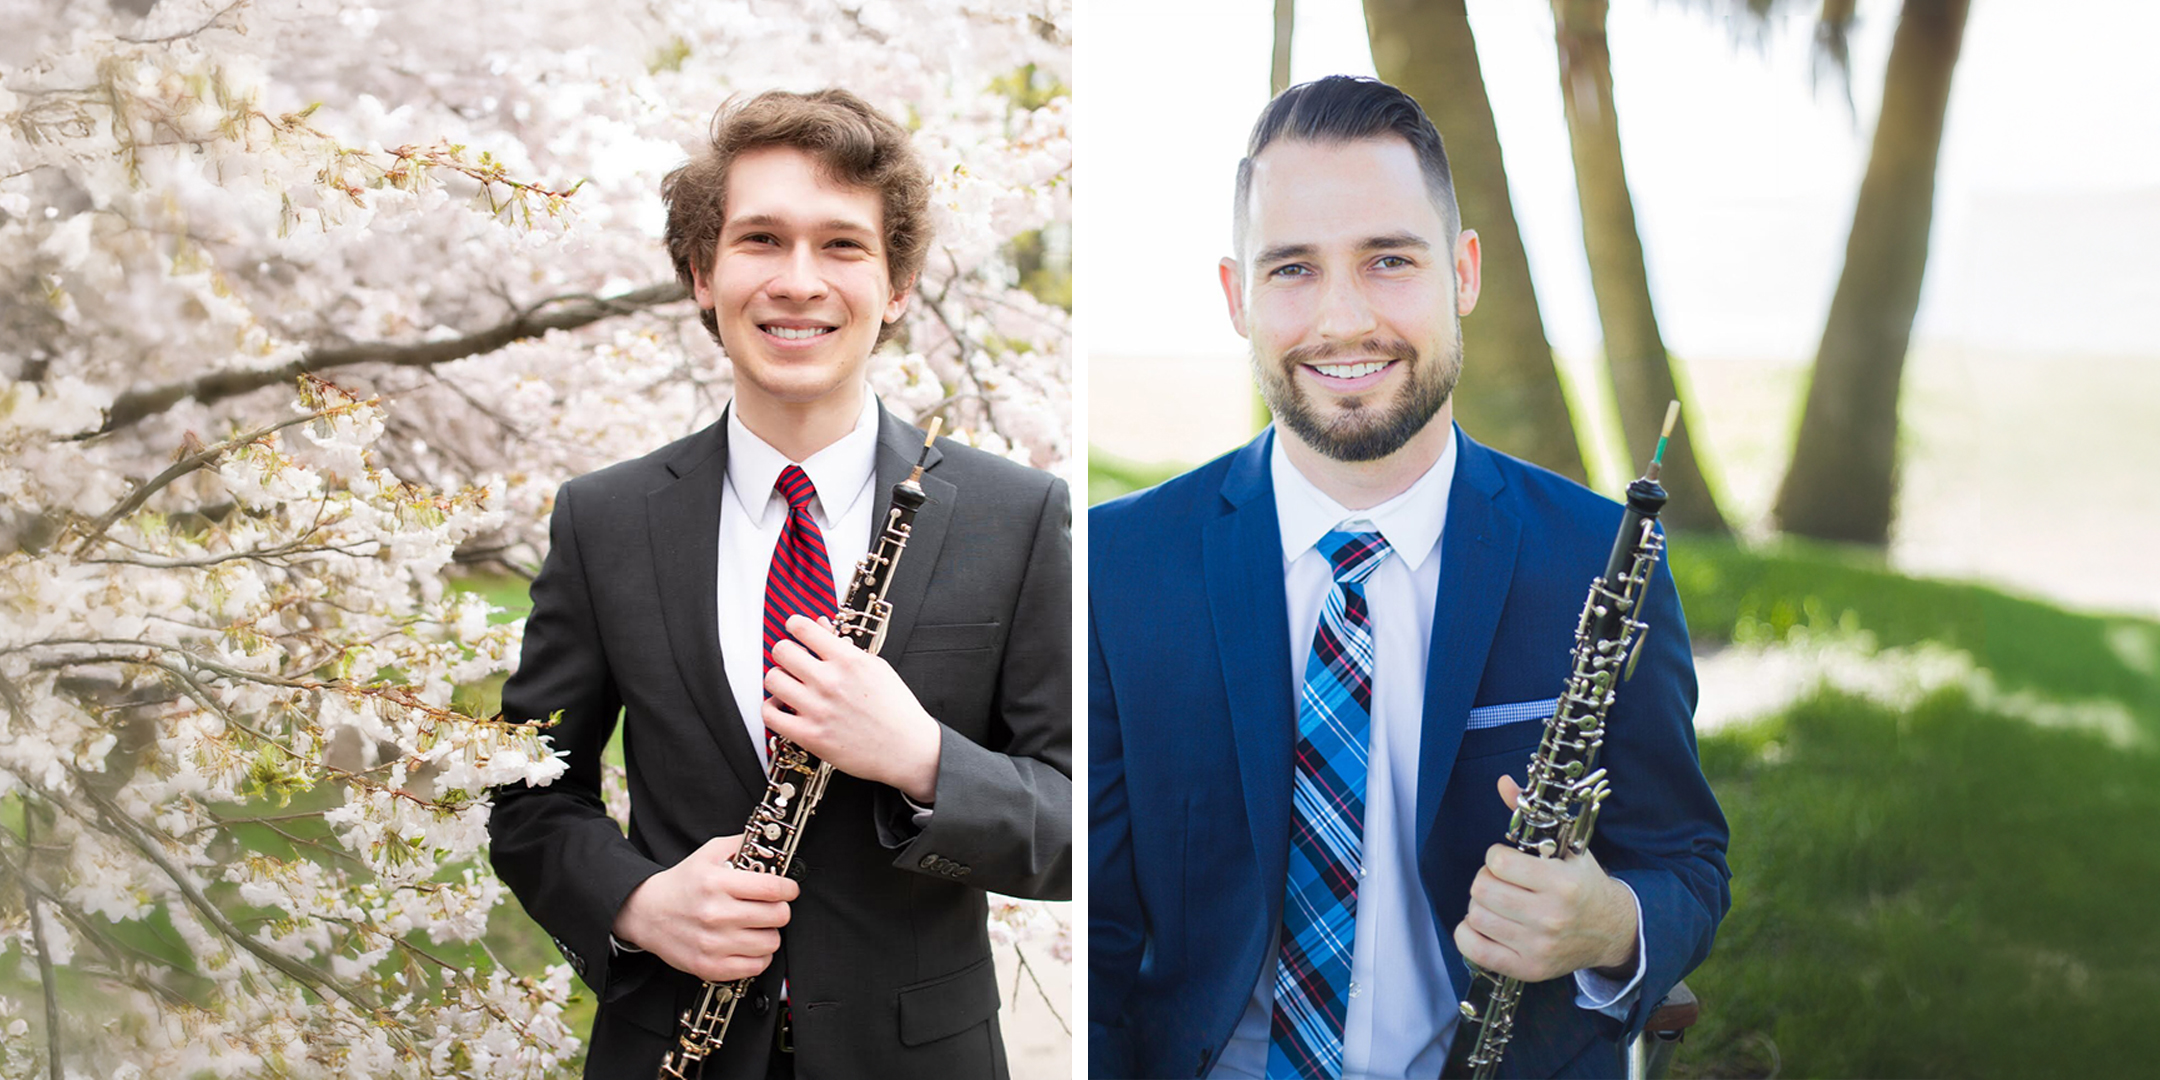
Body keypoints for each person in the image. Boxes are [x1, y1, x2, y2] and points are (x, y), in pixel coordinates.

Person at [1088, 76, 1729, 1079]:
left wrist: (1610, 923)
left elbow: (1687, 861)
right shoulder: (1118, 565)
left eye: (1389, 260)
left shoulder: (1597, 556)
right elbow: (1095, 946)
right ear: (1235, 296)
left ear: (1463, 272)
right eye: (1293, 268)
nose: (1344, 320)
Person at [488, 89, 1071, 1080]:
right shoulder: (606, 518)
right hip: (669, 1046)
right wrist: (638, 904)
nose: (799, 282)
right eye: (761, 239)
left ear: (897, 286)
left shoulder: (1016, 517)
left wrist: (923, 757)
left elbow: (1076, 824)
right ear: (700, 275)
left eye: (841, 245)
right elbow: (528, 793)